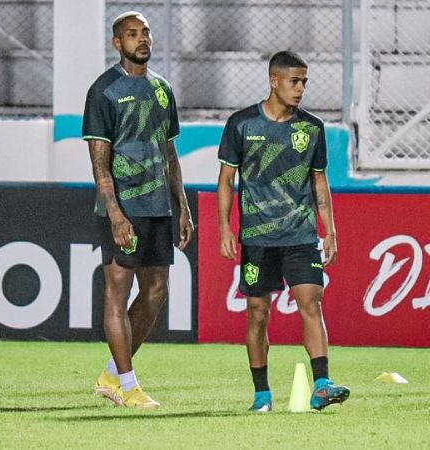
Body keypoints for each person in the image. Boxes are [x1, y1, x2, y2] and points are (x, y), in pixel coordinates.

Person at [216, 51, 349, 412]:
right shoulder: (242, 124)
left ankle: (321, 383)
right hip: (258, 240)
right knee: (258, 313)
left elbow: (320, 183)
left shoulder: (311, 128)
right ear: (274, 80)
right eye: (295, 81)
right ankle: (261, 394)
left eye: (304, 81)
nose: (301, 88)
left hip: (301, 236)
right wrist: (225, 228)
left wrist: (330, 230)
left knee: (312, 303)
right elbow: (226, 181)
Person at [82, 11, 194, 409]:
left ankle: (112, 374)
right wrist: (115, 214)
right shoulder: (104, 92)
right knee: (118, 292)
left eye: (145, 32)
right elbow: (99, 162)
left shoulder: (162, 90)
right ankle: (128, 386)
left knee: (157, 291)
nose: (142, 39)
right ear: (118, 43)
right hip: (123, 207)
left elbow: (170, 152)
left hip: (159, 206)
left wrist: (182, 205)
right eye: (132, 34)